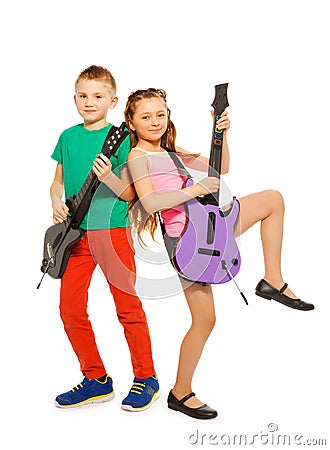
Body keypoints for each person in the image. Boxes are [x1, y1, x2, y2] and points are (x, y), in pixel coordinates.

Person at [124, 88, 314, 420]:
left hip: (210, 221)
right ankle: (180, 392)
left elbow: (220, 166)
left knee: (273, 199)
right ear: (132, 121)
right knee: (205, 320)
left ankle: (273, 280)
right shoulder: (138, 157)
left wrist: (220, 132)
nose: (155, 121)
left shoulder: (170, 151)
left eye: (160, 114)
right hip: (188, 242)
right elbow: (150, 201)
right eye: (146, 116)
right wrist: (195, 189)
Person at [49, 66, 159, 411]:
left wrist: (110, 176)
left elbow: (131, 194)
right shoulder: (67, 137)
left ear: (112, 100)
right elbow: (57, 181)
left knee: (127, 308)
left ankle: (147, 378)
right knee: (69, 309)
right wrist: (55, 200)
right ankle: (95, 379)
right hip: (75, 237)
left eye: (97, 96)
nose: (89, 102)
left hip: (111, 233)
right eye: (83, 95)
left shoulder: (123, 139)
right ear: (74, 98)